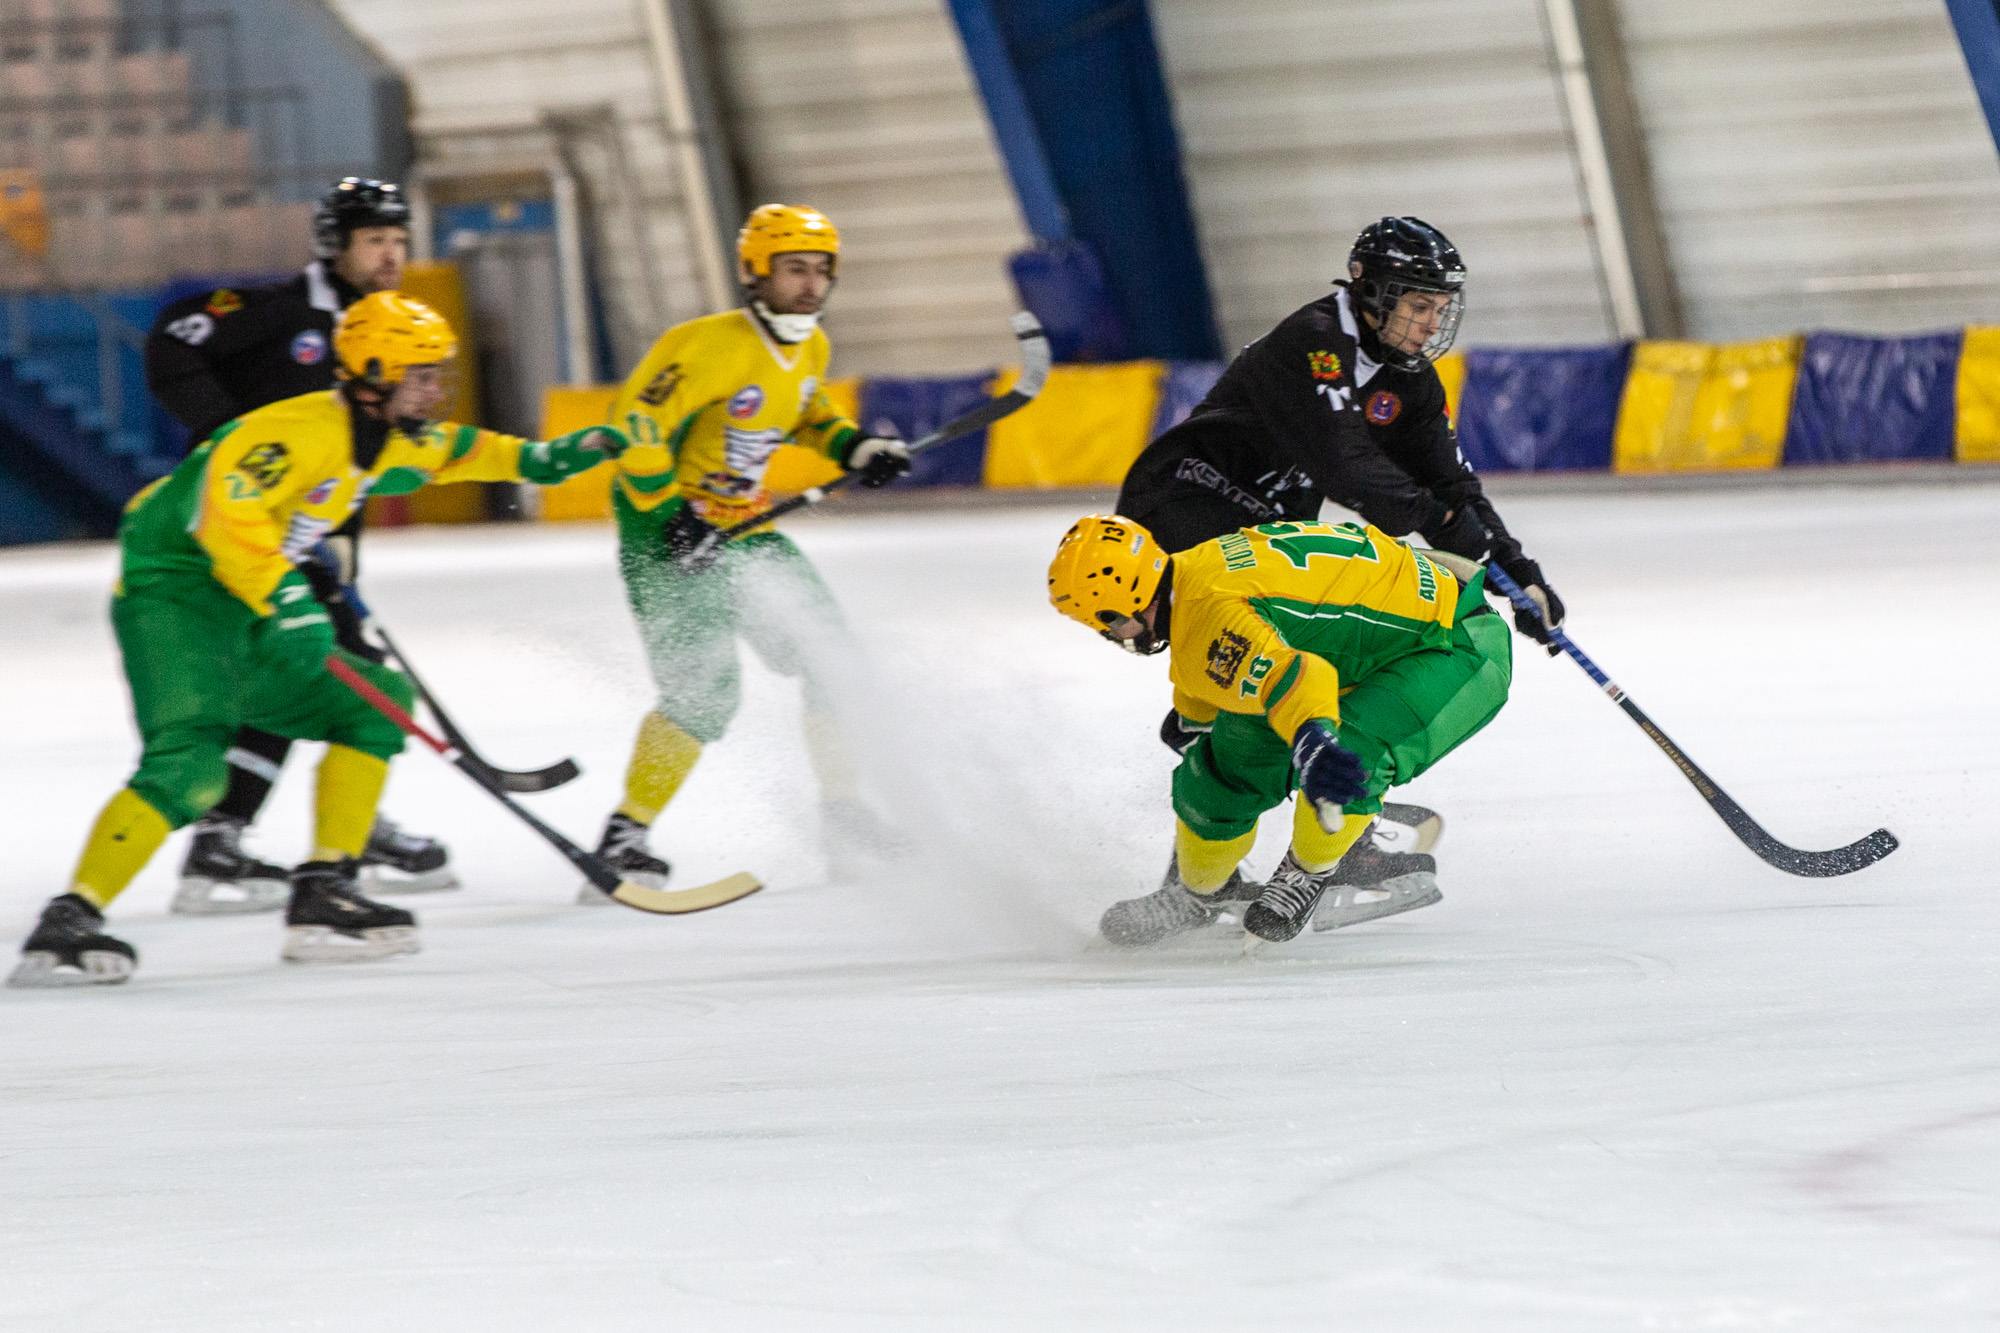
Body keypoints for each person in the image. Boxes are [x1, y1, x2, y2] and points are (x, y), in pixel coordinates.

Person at [9, 293, 629, 987]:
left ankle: (323, 891)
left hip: (249, 597)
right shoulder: (294, 433)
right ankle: (69, 919)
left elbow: (472, 451)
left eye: (437, 374)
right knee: (191, 767)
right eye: (422, 375)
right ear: (372, 373)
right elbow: (225, 514)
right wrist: (289, 597)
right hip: (176, 594)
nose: (438, 388)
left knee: (373, 702)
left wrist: (556, 457)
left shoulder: (390, 436)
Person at [1115, 216, 1561, 873]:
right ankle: (1219, 858)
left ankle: (1296, 822)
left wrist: (1520, 572)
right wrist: (1455, 534)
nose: (1431, 324)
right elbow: (1348, 468)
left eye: (1439, 308)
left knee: (1304, 671)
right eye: (1417, 305)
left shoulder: (1409, 380)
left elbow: (1451, 482)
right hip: (1189, 502)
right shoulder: (1316, 342)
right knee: (1268, 675)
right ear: (1369, 290)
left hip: (1263, 525)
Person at [143, 176, 454, 913]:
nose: (391, 255)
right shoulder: (277, 313)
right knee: (335, 676)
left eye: (399, 241)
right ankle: (239, 837)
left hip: (324, 534)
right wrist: (224, 436)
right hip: (253, 538)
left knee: (339, 673)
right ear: (335, 245)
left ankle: (299, 828)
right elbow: (171, 343)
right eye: (375, 240)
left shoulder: (393, 329)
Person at [583, 203, 911, 897]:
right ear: (753, 271)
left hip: (748, 530)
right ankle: (625, 834)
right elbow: (631, 424)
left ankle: (842, 816)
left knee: (833, 658)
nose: (811, 285)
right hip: (665, 537)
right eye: (795, 269)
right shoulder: (703, 345)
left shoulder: (811, 346)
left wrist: (858, 446)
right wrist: (669, 515)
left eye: (822, 270)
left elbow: (810, 414)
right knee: (705, 694)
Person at [1046, 513, 1512, 947]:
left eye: (1108, 626)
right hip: (1380, 639)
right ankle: (1198, 893)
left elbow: (1299, 677)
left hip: (1457, 646)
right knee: (1221, 766)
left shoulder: (1209, 615)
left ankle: (1307, 871)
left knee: (1351, 752)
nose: (1115, 637)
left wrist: (1313, 740)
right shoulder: (1194, 573)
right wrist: (1198, 726)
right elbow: (1230, 659)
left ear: (1119, 608)